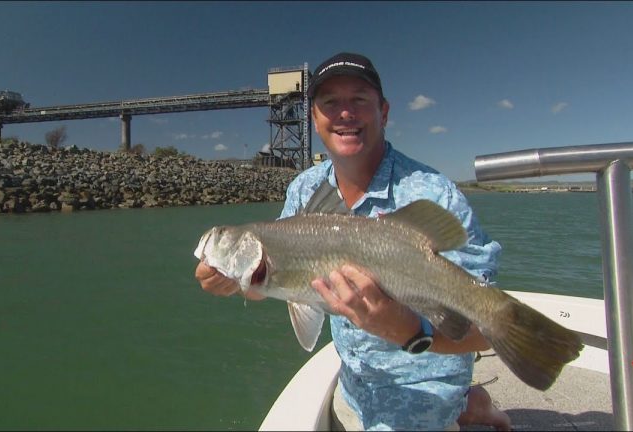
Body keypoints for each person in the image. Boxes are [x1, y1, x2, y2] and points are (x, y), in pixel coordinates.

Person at [195, 52, 508, 431]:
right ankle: (473, 403)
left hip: (426, 384)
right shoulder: (304, 189)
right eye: (330, 102)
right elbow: (272, 283)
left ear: (384, 112)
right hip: (356, 382)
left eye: (359, 99)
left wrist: (409, 331)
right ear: (313, 116)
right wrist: (235, 282)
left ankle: (460, 400)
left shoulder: (434, 194)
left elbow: (481, 335)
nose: (345, 113)